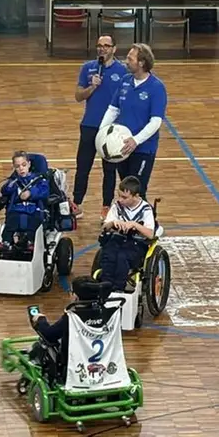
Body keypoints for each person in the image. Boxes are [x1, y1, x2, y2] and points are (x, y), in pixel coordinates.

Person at [99, 43, 167, 200]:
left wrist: (136, 140)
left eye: (130, 58)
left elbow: (156, 121)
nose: (126, 61)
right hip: (122, 148)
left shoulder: (156, 87)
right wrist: (102, 132)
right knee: (126, 189)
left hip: (143, 149)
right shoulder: (125, 81)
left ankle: (146, 222)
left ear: (141, 63)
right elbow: (113, 109)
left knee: (137, 190)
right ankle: (127, 222)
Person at [72, 35, 126, 221]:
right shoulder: (88, 68)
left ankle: (106, 205)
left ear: (114, 48)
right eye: (99, 46)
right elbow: (79, 96)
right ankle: (76, 203)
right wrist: (91, 87)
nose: (102, 49)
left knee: (109, 169)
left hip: (111, 129)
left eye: (106, 46)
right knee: (83, 167)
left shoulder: (124, 71)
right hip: (89, 125)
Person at [98, 176, 155, 292]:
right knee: (108, 254)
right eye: (119, 195)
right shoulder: (117, 206)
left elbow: (150, 234)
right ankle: (105, 286)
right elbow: (105, 227)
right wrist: (113, 222)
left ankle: (118, 288)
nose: (120, 200)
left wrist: (134, 225)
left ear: (136, 196)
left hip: (137, 242)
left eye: (124, 197)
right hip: (118, 238)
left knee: (122, 257)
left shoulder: (145, 209)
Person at [0, 151, 50, 250]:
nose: (21, 168)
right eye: (17, 166)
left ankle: (31, 241)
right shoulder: (14, 181)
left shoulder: (38, 179)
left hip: (34, 209)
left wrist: (31, 193)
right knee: (11, 223)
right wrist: (9, 185)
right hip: (17, 209)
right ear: (14, 167)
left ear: (29, 164)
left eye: (23, 165)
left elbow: (44, 191)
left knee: (33, 223)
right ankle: (6, 241)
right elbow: (5, 190)